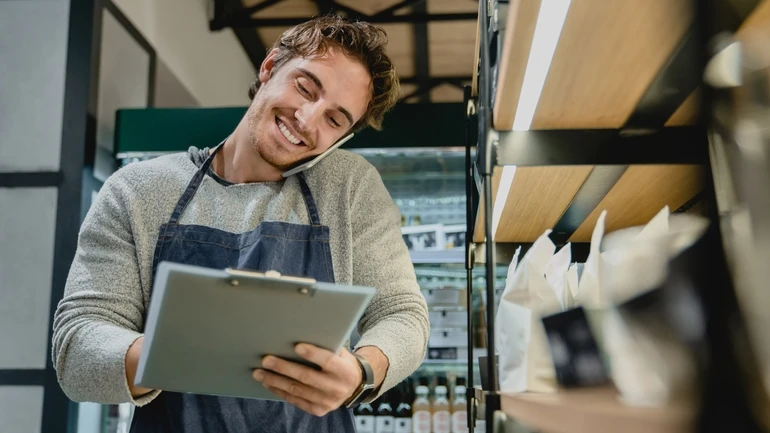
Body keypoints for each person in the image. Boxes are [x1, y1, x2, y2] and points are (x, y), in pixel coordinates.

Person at [52, 15, 430, 433]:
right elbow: (77, 345)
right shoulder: (138, 190)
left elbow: (403, 314)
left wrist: (362, 371)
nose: (307, 119)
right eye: (305, 87)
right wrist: (179, 354)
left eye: (335, 120)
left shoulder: (349, 188)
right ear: (269, 68)